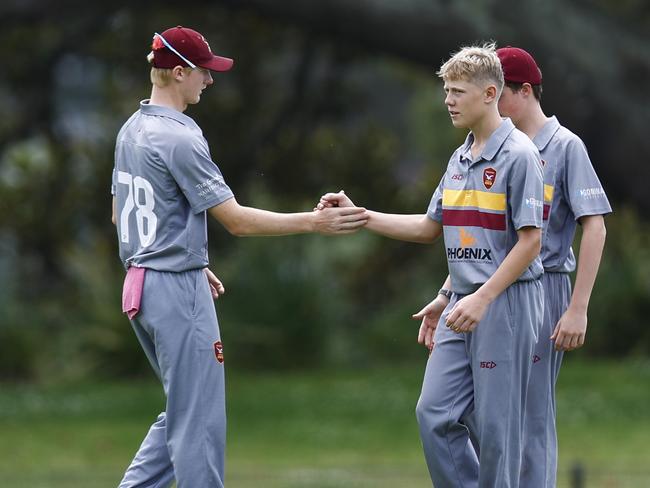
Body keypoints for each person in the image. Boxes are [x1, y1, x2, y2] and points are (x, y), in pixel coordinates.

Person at [111, 25, 368, 488]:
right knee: (200, 422)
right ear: (179, 71)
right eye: (204, 72)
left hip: (142, 283)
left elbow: (120, 215)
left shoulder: (133, 129)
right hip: (174, 288)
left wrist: (190, 256)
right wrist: (315, 223)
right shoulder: (180, 138)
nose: (209, 81)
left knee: (183, 411)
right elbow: (237, 221)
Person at [318, 43, 544, 487]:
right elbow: (429, 227)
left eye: (458, 91)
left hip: (506, 304)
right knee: (434, 414)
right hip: (461, 303)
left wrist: (483, 297)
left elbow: (530, 242)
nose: (448, 100)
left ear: (490, 93)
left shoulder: (518, 155)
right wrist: (360, 215)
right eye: (445, 90)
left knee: (497, 431)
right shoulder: (459, 157)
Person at [415, 46, 612, 488]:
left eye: (501, 91)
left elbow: (593, 229)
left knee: (529, 416)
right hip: (494, 286)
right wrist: (448, 293)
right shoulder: (486, 148)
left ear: (523, 91)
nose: (492, 99)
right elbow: (483, 240)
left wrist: (578, 308)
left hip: (545, 286)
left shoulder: (562, 146)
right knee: (486, 416)